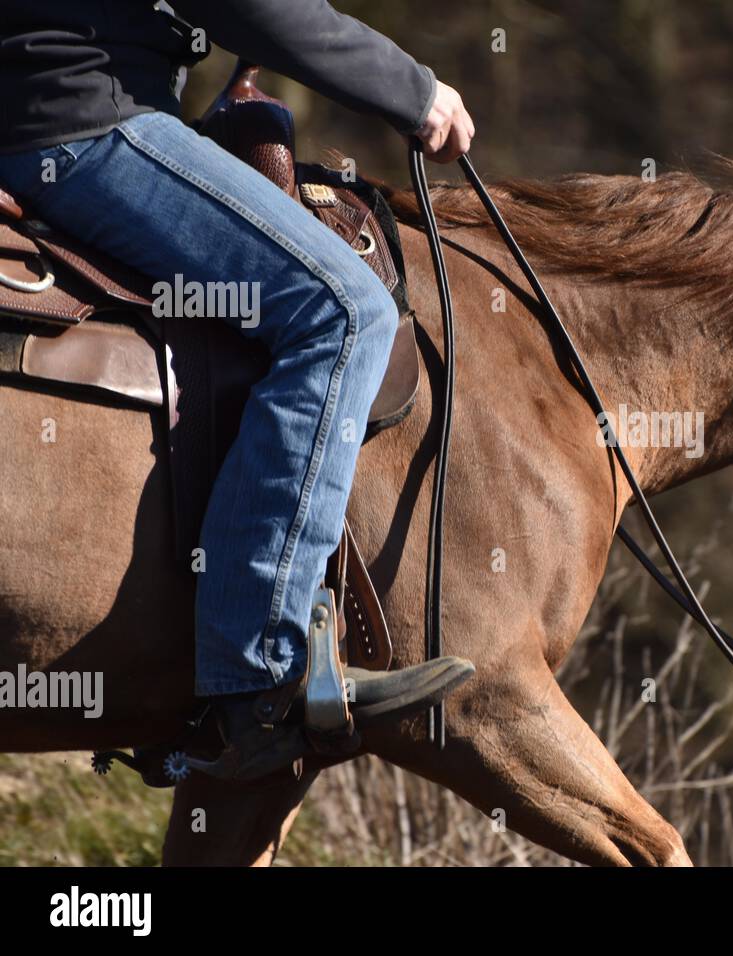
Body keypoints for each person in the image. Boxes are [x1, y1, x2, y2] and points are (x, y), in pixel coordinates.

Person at [0, 0, 476, 779]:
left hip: (45, 107)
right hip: (83, 122)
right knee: (343, 310)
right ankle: (260, 671)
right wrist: (413, 90)